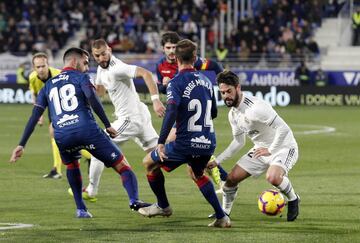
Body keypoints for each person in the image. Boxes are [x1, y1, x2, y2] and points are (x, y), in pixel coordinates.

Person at [10, 47, 148, 218]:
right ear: (74, 61)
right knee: (122, 165)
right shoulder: (82, 77)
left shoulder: (48, 86)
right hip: (87, 131)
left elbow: (34, 116)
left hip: (62, 135)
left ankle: (81, 209)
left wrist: (21, 144)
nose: (87, 65)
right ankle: (134, 200)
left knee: (72, 165)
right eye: (85, 62)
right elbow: (93, 99)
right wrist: (107, 124)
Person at [138, 39, 231, 228]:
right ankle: (222, 217)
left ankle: (163, 206)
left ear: (177, 59)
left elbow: (171, 111)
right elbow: (213, 113)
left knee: (149, 163)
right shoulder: (206, 81)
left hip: (184, 143)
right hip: (207, 142)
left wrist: (161, 141)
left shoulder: (175, 82)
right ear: (195, 58)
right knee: (197, 173)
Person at [79, 39, 166, 203]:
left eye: (104, 54)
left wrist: (155, 100)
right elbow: (101, 92)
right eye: (97, 56)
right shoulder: (100, 69)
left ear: (109, 50)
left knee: (99, 146)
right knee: (162, 157)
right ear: (93, 56)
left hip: (130, 119)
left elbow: (146, 74)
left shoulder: (117, 68)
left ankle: (91, 190)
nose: (101, 58)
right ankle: (205, 163)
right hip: (138, 116)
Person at [207, 70, 300, 222]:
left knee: (273, 177)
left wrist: (270, 150)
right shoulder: (233, 114)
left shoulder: (256, 108)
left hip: (284, 147)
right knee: (231, 180)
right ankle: (224, 212)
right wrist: (218, 161)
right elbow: (239, 142)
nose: (225, 96)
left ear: (238, 88)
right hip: (260, 149)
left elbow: (284, 129)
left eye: (229, 91)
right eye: (222, 92)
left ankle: (293, 199)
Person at [156, 31, 227, 189]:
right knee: (183, 146)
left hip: (190, 108)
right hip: (180, 108)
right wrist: (164, 85)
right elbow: (162, 89)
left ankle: (216, 169)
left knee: (172, 142)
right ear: (163, 49)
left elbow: (214, 65)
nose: (172, 51)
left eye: (174, 47)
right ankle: (215, 169)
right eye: (168, 47)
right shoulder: (160, 65)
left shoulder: (191, 60)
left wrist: (222, 82)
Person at [28, 52, 62, 178]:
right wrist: (39, 115)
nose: (41, 69)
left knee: (58, 134)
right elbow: (35, 96)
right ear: (34, 68)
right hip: (49, 104)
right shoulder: (32, 78)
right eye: (38, 67)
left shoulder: (58, 74)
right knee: (56, 135)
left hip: (61, 105)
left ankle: (57, 170)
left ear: (48, 65)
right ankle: (57, 170)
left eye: (43, 66)